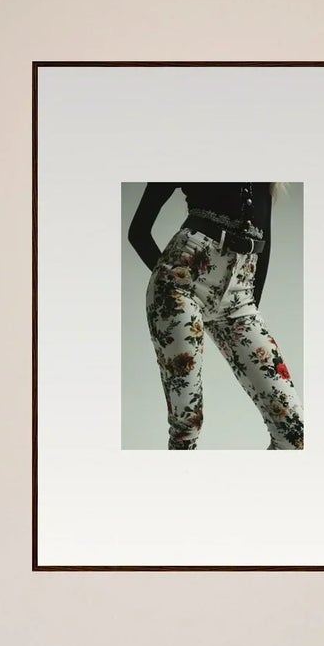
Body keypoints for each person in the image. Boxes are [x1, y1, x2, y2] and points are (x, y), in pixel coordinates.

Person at [128, 182, 304, 450]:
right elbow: (138, 231)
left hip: (240, 293)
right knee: (187, 425)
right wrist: (172, 281)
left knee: (293, 429)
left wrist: (248, 304)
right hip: (182, 282)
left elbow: (264, 240)